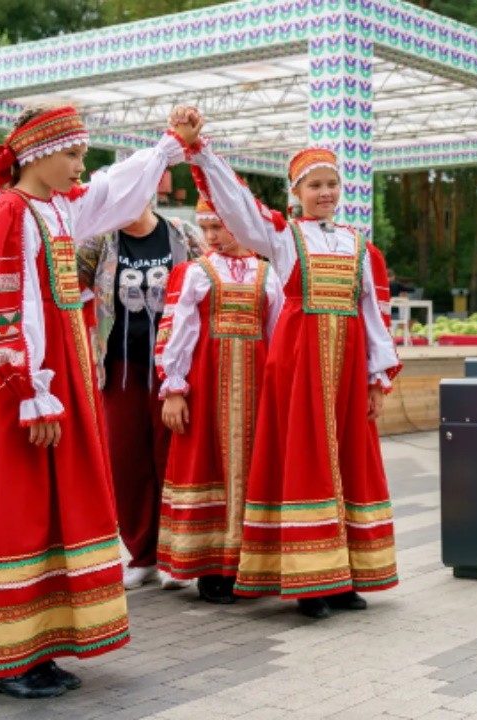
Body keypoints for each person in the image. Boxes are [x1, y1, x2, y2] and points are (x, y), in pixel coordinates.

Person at [0, 103, 202, 698]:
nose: (80, 164)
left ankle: (40, 647)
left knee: (55, 508)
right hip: (26, 387)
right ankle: (8, 659)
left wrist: (170, 146)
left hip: (60, 377)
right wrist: (28, 394)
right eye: (71, 153)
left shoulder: (59, 207)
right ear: (38, 152)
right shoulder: (8, 213)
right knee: (22, 508)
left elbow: (118, 189)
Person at [188, 135, 401, 618]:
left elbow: (372, 315)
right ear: (296, 192)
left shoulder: (358, 246)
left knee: (348, 460)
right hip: (299, 362)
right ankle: (309, 582)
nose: (325, 192)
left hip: (346, 365)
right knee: (304, 460)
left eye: (332, 184)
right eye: (315, 185)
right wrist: (202, 155)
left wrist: (376, 377)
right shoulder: (283, 236)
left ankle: (344, 577)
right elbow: (239, 205)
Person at [154, 193, 282, 603]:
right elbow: (176, 332)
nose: (209, 236)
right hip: (207, 387)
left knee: (255, 470)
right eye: (204, 227)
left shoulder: (268, 275)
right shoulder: (195, 273)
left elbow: (279, 335)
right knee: (206, 465)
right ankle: (211, 568)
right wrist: (174, 388)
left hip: (258, 389)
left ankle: (252, 562)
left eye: (218, 227)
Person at [77, 201, 204, 591]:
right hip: (118, 369)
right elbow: (64, 282)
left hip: (174, 369)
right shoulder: (100, 240)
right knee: (126, 461)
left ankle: (175, 554)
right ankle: (142, 555)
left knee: (172, 455)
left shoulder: (183, 235)